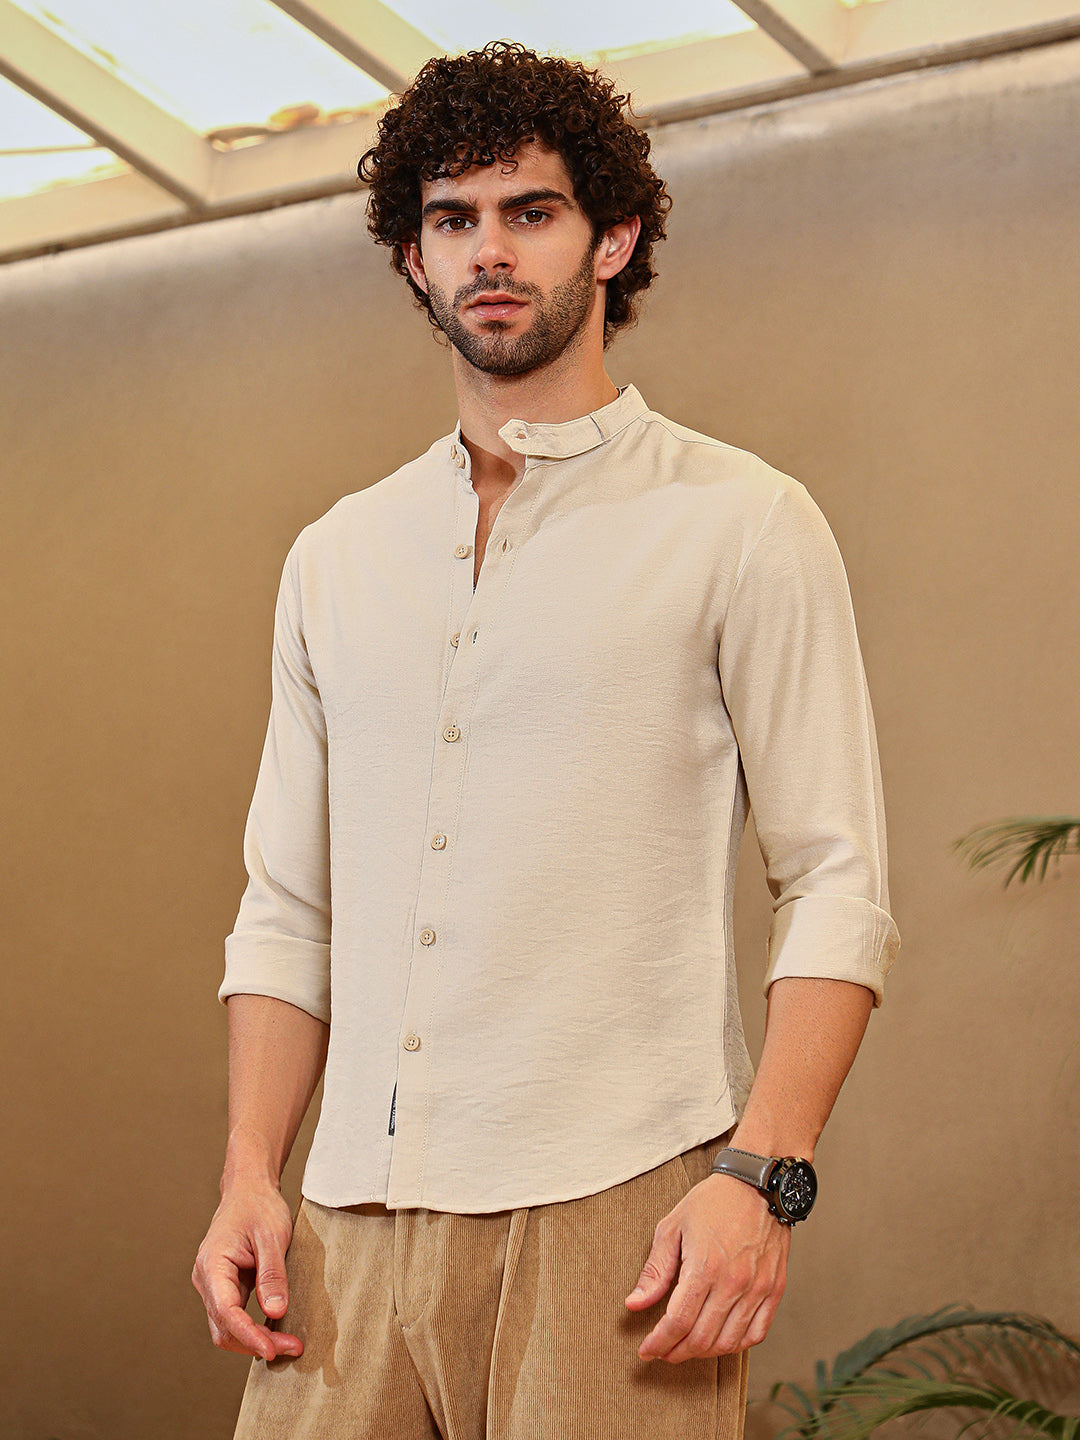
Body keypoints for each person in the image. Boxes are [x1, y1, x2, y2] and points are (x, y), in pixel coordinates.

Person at [192, 39, 899, 1440]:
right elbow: (286, 908)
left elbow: (837, 881)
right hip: (347, 1220)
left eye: (531, 211)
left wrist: (765, 1177)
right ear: (414, 259)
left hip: (622, 1210)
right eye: (452, 220)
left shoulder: (741, 523)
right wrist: (248, 1174)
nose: (490, 252)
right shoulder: (338, 556)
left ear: (612, 237)